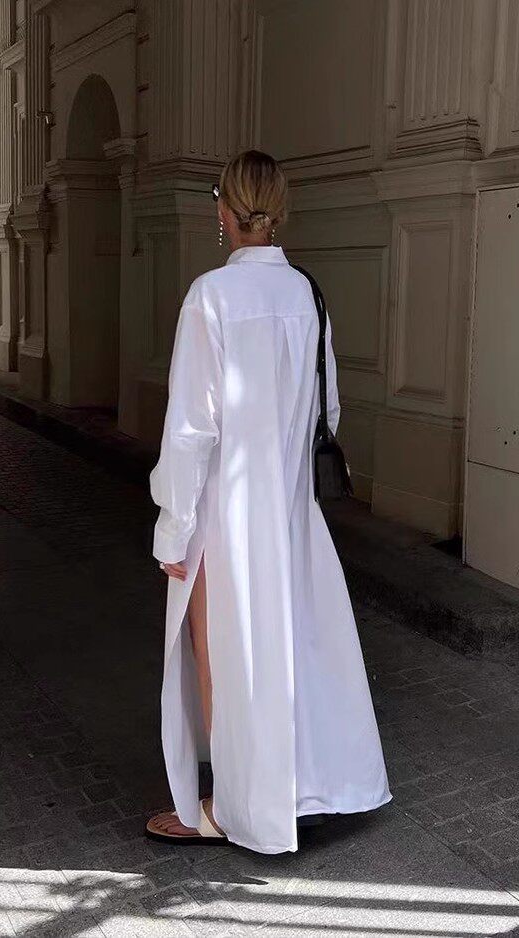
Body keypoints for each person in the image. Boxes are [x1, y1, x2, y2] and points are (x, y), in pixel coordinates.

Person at [145, 149, 390, 854]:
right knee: (295, 647)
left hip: (224, 511)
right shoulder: (308, 295)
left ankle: (232, 807)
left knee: (218, 656)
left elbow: (191, 427)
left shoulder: (211, 297)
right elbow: (327, 412)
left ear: (224, 211)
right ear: (278, 210)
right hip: (289, 509)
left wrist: (173, 528)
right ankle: (301, 788)